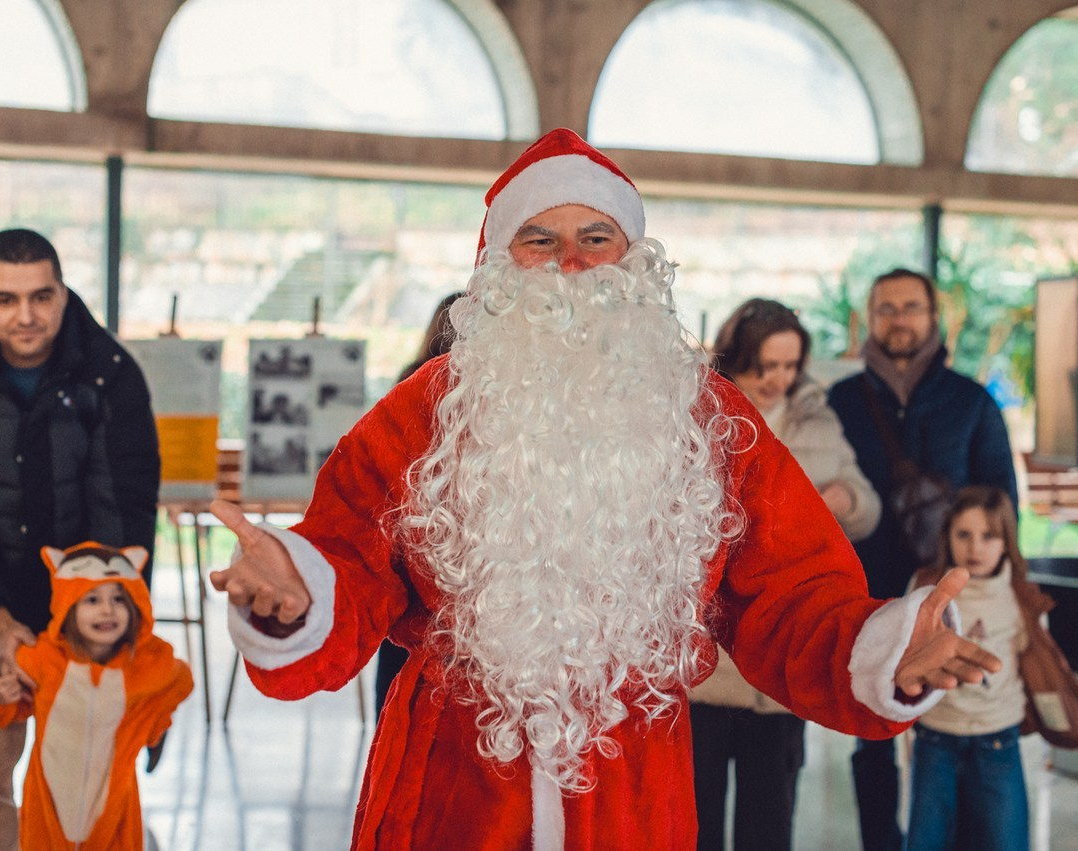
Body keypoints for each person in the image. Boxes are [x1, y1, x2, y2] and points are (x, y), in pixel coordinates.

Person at [210, 129, 1000, 851]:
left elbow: (790, 591)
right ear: (497, 265)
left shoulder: (707, 417)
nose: (573, 263)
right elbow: (349, 558)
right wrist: (301, 593)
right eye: (540, 239)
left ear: (632, 260)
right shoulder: (427, 408)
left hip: (632, 792)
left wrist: (883, 650)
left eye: (596, 238)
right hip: (448, 791)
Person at [0, 228, 160, 851]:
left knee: (84, 803)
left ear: (62, 292)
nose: (26, 316)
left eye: (41, 296)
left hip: (81, 615)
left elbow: (122, 516)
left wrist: (96, 629)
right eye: (5, 299)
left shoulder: (109, 374)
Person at [826, 267, 1018, 851]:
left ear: (933, 318)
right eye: (887, 308)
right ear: (869, 319)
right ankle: (879, 842)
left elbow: (1002, 505)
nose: (899, 319)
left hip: (952, 593)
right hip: (868, 591)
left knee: (953, 732)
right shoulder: (841, 402)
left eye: (911, 307)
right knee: (872, 733)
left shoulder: (971, 401)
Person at [690, 298, 881, 851]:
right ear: (736, 359)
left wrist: (846, 500)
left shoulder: (817, 420)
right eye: (764, 366)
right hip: (710, 660)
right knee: (696, 817)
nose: (778, 380)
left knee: (770, 816)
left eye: (790, 366)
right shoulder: (698, 417)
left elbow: (866, 501)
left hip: (784, 670)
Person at [0, 542, 193, 850]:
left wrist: (156, 725)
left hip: (115, 806)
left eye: (118, 598)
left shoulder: (145, 665)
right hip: (47, 807)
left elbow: (180, 680)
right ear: (68, 603)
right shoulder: (44, 660)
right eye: (91, 599)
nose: (107, 609)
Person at [905, 487, 1033, 851]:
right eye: (964, 535)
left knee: (1004, 839)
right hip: (936, 740)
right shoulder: (925, 589)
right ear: (947, 536)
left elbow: (1034, 661)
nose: (975, 547)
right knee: (926, 840)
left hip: (998, 741)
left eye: (988, 536)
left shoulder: (1021, 596)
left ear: (1006, 541)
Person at [372, 290, 464, 721]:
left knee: (398, 691)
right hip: (441, 582)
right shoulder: (434, 393)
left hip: (406, 574)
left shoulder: (408, 385)